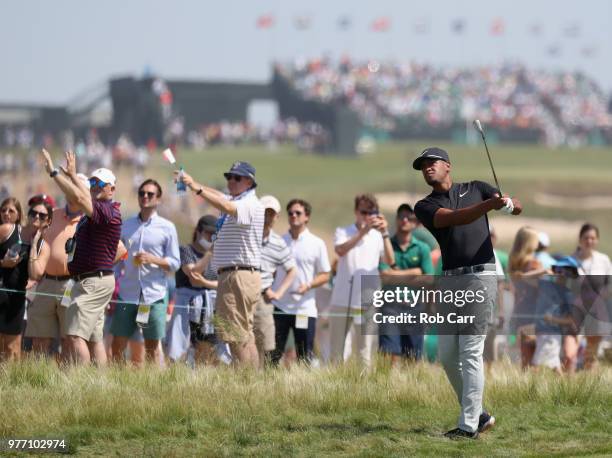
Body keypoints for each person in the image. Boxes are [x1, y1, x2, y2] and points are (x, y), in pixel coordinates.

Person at [412, 147, 522, 439]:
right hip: (450, 280)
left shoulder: (477, 188)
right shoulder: (424, 206)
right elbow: (456, 218)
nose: (427, 168)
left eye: (431, 162)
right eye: (422, 166)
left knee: (470, 351)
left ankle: (468, 425)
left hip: (479, 276)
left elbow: (515, 205)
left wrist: (508, 203)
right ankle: (480, 414)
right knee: (448, 355)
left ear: (447, 165)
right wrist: (490, 206)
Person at [177, 161, 264, 367]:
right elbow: (219, 195)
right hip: (238, 274)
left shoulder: (248, 204)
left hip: (237, 275)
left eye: (237, 178)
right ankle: (252, 380)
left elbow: (224, 205)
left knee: (234, 334)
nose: (231, 181)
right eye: (229, 177)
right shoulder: (240, 199)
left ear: (249, 181)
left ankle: (245, 381)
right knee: (244, 333)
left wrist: (196, 188)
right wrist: (191, 183)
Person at [41, 149, 122, 365]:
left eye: (100, 184)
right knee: (95, 339)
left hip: (93, 281)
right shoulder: (96, 211)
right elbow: (81, 196)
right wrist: (74, 177)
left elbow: (79, 197)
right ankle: (100, 386)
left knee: (75, 336)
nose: (95, 187)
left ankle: (81, 384)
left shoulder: (107, 211)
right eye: (92, 183)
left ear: (112, 189)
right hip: (89, 280)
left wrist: (54, 172)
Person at [110, 179, 180, 366]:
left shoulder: (167, 227)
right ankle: (117, 381)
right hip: (127, 293)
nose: (145, 197)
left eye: (150, 194)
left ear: (158, 199)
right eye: (142, 193)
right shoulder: (126, 225)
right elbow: (117, 259)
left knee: (152, 346)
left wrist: (153, 259)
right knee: (117, 343)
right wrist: (113, 281)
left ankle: (151, 383)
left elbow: (175, 263)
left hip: (154, 295)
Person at [25, 176, 92, 357]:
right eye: (69, 188)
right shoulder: (52, 214)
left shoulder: (90, 221)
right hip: (46, 283)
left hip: (72, 285)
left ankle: (65, 382)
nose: (72, 193)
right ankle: (39, 378)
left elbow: (117, 250)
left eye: (75, 189)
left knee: (69, 339)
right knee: (39, 337)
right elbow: (35, 234)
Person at [271, 199, 330, 365]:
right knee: (274, 354)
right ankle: (269, 386)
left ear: (307, 217)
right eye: (290, 213)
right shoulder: (278, 241)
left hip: (304, 308)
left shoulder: (317, 243)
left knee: (304, 355)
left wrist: (309, 285)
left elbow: (325, 274)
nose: (293, 216)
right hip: (280, 306)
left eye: (298, 213)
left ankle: (302, 387)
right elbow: (271, 270)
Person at [378, 203, 434, 365]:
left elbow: (429, 279)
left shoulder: (422, 248)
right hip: (390, 305)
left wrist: (394, 273)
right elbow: (384, 276)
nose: (404, 220)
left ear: (415, 222)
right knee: (389, 353)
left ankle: (408, 388)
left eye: (408, 217)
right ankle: (388, 388)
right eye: (401, 216)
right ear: (396, 220)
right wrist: (415, 272)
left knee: (413, 355)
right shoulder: (386, 246)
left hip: (415, 306)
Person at [0, 197, 51, 360]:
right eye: (33, 213)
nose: (36, 217)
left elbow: (35, 274)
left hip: (16, 298)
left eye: (42, 216)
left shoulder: (44, 247)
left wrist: (35, 244)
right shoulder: (8, 230)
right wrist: (3, 263)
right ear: (27, 214)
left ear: (48, 221)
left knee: (12, 349)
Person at [166, 215, 219, 364]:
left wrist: (204, 282)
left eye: (214, 234)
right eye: (208, 233)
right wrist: (209, 254)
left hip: (210, 306)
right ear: (198, 231)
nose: (211, 237)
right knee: (180, 345)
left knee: (207, 346)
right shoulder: (185, 250)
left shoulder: (217, 257)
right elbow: (193, 274)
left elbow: (221, 283)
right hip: (186, 305)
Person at [257, 195, 297, 367]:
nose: (268, 216)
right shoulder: (246, 235)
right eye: (265, 212)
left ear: (277, 217)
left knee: (265, 346)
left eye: (271, 213)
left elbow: (292, 270)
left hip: (263, 298)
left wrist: (278, 293)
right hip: (242, 292)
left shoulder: (278, 243)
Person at [508, 227, 549, 369]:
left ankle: (525, 389)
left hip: (520, 311)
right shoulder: (533, 264)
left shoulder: (513, 263)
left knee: (525, 359)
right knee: (536, 360)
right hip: (535, 312)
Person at [572, 223, 611, 370]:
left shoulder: (603, 260)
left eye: (593, 238)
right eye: (586, 237)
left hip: (597, 311)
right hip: (575, 311)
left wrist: (602, 295)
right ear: (580, 239)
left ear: (597, 240)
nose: (589, 241)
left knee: (592, 353)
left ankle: (589, 386)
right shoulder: (571, 261)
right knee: (571, 352)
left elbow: (609, 284)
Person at [532, 257, 579, 374]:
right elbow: (524, 278)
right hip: (546, 331)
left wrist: (552, 319)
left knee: (539, 366)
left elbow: (571, 320)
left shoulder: (570, 294)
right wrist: (543, 271)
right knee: (553, 365)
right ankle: (565, 389)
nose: (561, 273)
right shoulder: (546, 285)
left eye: (566, 271)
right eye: (558, 270)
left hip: (557, 331)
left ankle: (569, 388)